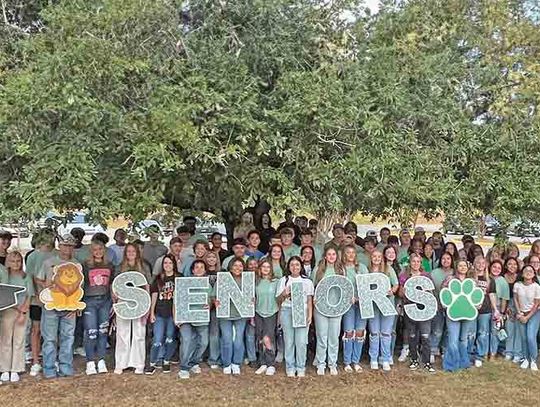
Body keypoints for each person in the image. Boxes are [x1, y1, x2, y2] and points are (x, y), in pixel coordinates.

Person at [37, 234, 79, 379]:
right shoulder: (49, 262)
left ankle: (65, 367)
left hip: (69, 307)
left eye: (70, 245)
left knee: (68, 337)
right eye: (65, 245)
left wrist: (76, 307)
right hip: (51, 306)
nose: (67, 248)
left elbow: (80, 288)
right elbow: (38, 278)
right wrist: (45, 287)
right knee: (50, 338)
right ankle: (49, 368)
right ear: (59, 246)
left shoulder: (77, 265)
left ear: (73, 247)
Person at [113, 243, 151, 375]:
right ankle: (121, 363)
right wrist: (115, 299)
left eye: (133, 251)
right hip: (124, 301)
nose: (131, 253)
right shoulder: (119, 267)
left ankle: (138, 363)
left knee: (139, 333)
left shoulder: (144, 267)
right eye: (128, 251)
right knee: (122, 333)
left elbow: (147, 286)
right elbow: (114, 286)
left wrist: (147, 305)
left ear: (137, 252)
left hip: (139, 301)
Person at [24, 231, 56, 377]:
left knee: (51, 331)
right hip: (37, 300)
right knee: (36, 330)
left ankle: (51, 358)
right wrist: (33, 296)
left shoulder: (56, 254)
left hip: (54, 299)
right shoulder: (32, 256)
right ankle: (36, 360)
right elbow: (29, 277)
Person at [276, 256, 314, 377]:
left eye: (297, 265)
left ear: (301, 266)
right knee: (289, 340)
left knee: (301, 341)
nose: (294, 267)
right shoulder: (284, 280)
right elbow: (278, 300)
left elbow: (309, 300)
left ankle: (301, 366)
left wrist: (310, 315)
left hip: (301, 311)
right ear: (288, 267)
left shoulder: (307, 281)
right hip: (287, 310)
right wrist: (284, 294)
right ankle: (290, 366)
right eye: (292, 265)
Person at [398, 253, 435, 372]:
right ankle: (414, 359)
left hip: (425, 310)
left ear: (421, 263)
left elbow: (431, 293)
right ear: (410, 263)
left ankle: (427, 362)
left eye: (418, 261)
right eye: (413, 261)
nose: (416, 264)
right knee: (412, 336)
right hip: (410, 309)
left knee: (425, 336)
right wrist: (402, 291)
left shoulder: (426, 276)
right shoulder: (404, 276)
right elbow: (400, 294)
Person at [0, 252, 33, 383]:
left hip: (22, 311)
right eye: (12, 261)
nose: (16, 264)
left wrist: (23, 312)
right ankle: (4, 369)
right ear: (7, 262)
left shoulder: (26, 276)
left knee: (19, 340)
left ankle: (16, 368)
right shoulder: (4, 276)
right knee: (6, 340)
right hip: (8, 311)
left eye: (18, 261)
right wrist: (16, 308)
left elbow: (29, 295)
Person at [82, 241, 114, 375]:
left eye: (100, 249)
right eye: (95, 249)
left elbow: (113, 284)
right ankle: (90, 362)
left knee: (103, 331)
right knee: (91, 332)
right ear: (91, 251)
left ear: (104, 250)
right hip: (89, 301)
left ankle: (101, 360)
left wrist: (113, 301)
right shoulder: (85, 265)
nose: (98, 252)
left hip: (105, 301)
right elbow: (80, 284)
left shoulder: (109, 265)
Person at [313, 247, 345, 376]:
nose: (331, 256)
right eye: (329, 254)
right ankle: (321, 363)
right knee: (322, 336)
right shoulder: (318, 270)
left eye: (334, 254)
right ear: (325, 256)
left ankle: (332, 363)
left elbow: (345, 288)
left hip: (336, 308)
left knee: (334, 337)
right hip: (321, 308)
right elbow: (312, 287)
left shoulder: (341, 270)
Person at [145, 254, 179, 375]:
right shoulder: (159, 279)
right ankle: (152, 362)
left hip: (172, 314)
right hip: (159, 312)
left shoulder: (179, 278)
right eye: (165, 263)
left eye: (170, 263)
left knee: (170, 338)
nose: (167, 265)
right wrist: (152, 312)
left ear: (174, 264)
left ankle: (166, 360)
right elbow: (154, 295)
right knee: (157, 339)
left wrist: (179, 316)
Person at [178, 260, 212, 379]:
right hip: (186, 318)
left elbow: (210, 300)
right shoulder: (185, 283)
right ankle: (184, 367)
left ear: (205, 270)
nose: (199, 269)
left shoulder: (207, 285)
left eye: (201, 267)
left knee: (204, 342)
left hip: (201, 318)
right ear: (192, 270)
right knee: (187, 340)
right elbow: (177, 301)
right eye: (196, 267)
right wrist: (177, 317)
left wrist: (209, 305)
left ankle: (194, 362)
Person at [216, 258, 250, 375]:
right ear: (230, 267)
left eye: (240, 266)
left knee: (238, 340)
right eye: (235, 265)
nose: (237, 268)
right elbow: (214, 295)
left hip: (240, 315)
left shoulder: (247, 280)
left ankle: (236, 362)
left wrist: (252, 300)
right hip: (225, 315)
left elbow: (252, 295)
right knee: (227, 339)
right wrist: (215, 301)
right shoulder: (223, 279)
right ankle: (226, 363)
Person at [368, 250, 399, 371]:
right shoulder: (367, 270)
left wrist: (392, 290)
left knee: (386, 333)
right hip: (373, 305)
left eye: (379, 256)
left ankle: (385, 358)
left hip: (387, 304)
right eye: (374, 256)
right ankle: (374, 358)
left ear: (382, 258)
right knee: (374, 333)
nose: (376, 258)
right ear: (371, 258)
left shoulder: (388, 269)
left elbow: (396, 284)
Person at [341, 245, 368, 372]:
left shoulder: (361, 267)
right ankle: (347, 361)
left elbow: (367, 284)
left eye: (353, 252)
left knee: (359, 332)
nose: (350, 255)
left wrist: (359, 298)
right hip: (348, 305)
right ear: (344, 254)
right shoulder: (341, 269)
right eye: (348, 252)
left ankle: (356, 361)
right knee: (349, 332)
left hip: (362, 304)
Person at [254, 259, 279, 376]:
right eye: (263, 266)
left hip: (271, 312)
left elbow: (280, 297)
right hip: (258, 312)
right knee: (260, 337)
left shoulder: (276, 282)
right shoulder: (256, 282)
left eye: (268, 267)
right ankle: (263, 362)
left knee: (268, 338)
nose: (265, 269)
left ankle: (271, 364)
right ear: (260, 268)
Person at [513, 265, 540, 371]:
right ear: (522, 273)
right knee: (523, 338)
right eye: (526, 270)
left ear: (534, 274)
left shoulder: (537, 287)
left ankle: (533, 359)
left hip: (534, 314)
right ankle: (526, 359)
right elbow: (515, 299)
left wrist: (527, 317)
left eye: (531, 271)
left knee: (530, 337)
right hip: (521, 313)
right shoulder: (517, 285)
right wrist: (519, 313)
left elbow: (537, 304)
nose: (528, 272)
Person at [430, 252, 455, 361]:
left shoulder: (455, 273)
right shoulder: (434, 272)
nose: (446, 261)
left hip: (452, 306)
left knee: (449, 330)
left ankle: (445, 349)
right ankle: (433, 350)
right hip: (437, 304)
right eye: (443, 258)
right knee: (437, 330)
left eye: (448, 258)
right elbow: (430, 289)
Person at [470, 256, 494, 367]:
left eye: (483, 263)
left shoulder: (489, 279)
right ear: (474, 264)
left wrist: (496, 309)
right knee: (471, 333)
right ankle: (469, 354)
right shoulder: (469, 278)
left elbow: (492, 295)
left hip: (485, 310)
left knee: (482, 333)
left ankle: (479, 355)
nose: (480, 265)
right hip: (471, 309)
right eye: (478, 262)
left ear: (486, 265)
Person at [487, 259, 509, 358]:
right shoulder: (485, 277)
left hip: (497, 308)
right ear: (490, 267)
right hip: (484, 308)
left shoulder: (502, 281)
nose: (496, 269)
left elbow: (504, 298)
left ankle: (493, 352)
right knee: (484, 331)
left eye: (499, 268)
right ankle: (483, 351)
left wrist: (501, 313)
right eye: (494, 267)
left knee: (494, 331)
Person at [204, 251, 221, 369]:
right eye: (208, 257)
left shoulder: (222, 273)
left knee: (214, 333)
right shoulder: (200, 271)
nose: (211, 259)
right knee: (203, 333)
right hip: (203, 306)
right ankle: (202, 355)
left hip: (217, 307)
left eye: (213, 257)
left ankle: (213, 358)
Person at [503, 257, 522, 363]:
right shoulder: (502, 277)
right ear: (505, 266)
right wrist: (506, 309)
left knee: (518, 330)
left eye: (514, 264)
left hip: (519, 305)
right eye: (509, 264)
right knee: (509, 329)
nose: (512, 266)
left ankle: (517, 353)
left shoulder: (520, 277)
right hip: (507, 305)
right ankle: (509, 351)